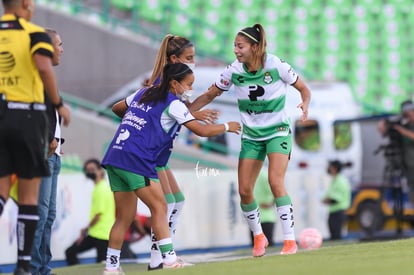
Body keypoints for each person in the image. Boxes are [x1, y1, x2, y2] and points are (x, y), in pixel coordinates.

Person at [101, 63, 241, 275]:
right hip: (137, 160)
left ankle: (111, 267)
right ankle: (169, 259)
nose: (190, 89)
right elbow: (201, 132)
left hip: (115, 155)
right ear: (174, 83)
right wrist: (227, 126)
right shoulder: (174, 104)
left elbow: (116, 108)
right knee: (160, 208)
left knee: (124, 217)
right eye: (188, 84)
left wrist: (138, 122)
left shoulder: (144, 92)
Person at [190, 23, 311, 256]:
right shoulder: (233, 70)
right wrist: (187, 111)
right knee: (245, 190)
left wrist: (305, 103)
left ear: (255, 47)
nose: (236, 50)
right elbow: (210, 94)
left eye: (240, 46)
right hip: (252, 136)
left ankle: (289, 241)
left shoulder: (277, 65)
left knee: (276, 182)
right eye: (234, 46)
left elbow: (304, 89)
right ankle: (258, 236)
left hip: (277, 132)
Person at [111, 34, 219, 270]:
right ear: (174, 59)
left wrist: (193, 112)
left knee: (176, 202)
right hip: (150, 155)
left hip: (157, 153)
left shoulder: (169, 81)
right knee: (166, 204)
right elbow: (169, 112)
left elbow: (176, 113)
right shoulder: (164, 83)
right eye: (188, 58)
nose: (193, 63)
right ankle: (159, 259)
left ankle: (159, 258)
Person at [0, 1, 70, 274]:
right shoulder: (33, 34)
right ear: (27, 4)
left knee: (3, 193)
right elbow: (43, 67)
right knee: (31, 201)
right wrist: (59, 103)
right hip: (25, 119)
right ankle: (24, 267)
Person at [30, 27, 65, 275]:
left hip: (55, 154)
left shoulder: (48, 78)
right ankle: (33, 267)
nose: (62, 49)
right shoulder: (38, 77)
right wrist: (46, 141)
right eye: (59, 44)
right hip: (45, 154)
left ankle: (43, 266)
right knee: (41, 215)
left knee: (49, 214)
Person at [65, 159, 115, 266]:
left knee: (101, 264)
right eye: (87, 170)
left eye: (92, 169)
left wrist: (85, 229)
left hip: (102, 234)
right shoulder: (101, 187)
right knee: (71, 252)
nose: (90, 172)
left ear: (100, 171)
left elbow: (98, 215)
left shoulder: (101, 189)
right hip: (97, 233)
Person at [378, 100, 414, 206]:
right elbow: (383, 132)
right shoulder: (403, 124)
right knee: (411, 190)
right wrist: (383, 125)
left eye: (409, 113)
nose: (408, 116)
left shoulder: (406, 128)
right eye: (405, 114)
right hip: (407, 165)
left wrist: (403, 131)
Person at [322, 160, 351, 240]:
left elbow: (335, 199)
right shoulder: (335, 180)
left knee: (336, 237)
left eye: (330, 167)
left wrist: (325, 201)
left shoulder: (340, 181)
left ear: (334, 168)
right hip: (334, 211)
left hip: (338, 212)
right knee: (334, 235)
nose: (328, 168)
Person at [250, 168, 277, 247]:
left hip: (265, 218)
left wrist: (270, 204)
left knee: (263, 247)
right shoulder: (250, 174)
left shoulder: (263, 175)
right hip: (254, 218)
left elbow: (276, 190)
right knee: (257, 248)